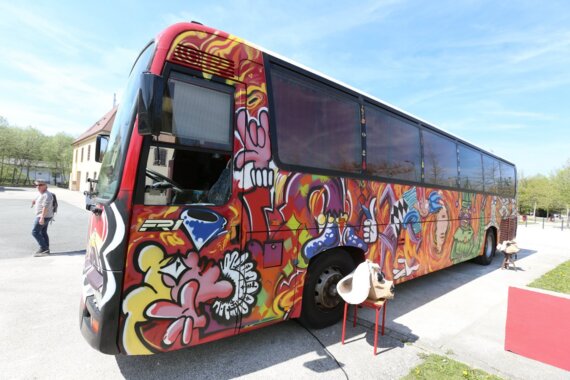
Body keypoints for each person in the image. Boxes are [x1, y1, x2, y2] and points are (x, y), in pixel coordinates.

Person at [31, 179, 54, 257]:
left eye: (40, 185)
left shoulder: (47, 195)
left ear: (45, 186)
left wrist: (42, 218)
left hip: (43, 216)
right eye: (37, 185)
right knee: (43, 232)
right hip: (45, 216)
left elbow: (45, 207)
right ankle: (46, 249)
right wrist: (35, 201)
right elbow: (40, 201)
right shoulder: (42, 193)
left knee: (35, 232)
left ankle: (44, 248)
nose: (38, 187)